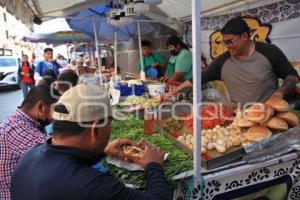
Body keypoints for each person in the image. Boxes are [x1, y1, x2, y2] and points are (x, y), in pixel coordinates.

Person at [11, 84, 173, 200]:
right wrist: (154, 166)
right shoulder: (93, 185)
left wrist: (103, 151)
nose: (109, 132)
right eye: (109, 125)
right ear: (95, 130)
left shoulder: (30, 154)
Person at [164, 17, 299, 104]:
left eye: (230, 42)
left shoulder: (269, 52)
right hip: (238, 117)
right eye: (224, 42)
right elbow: (196, 79)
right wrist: (171, 93)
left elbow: (292, 76)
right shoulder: (223, 61)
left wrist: (279, 93)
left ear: (245, 36)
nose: (226, 47)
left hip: (268, 114)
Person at [0, 85, 58, 200]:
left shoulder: (19, 121)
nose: (55, 117)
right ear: (41, 107)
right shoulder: (18, 130)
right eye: (54, 110)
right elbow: (60, 152)